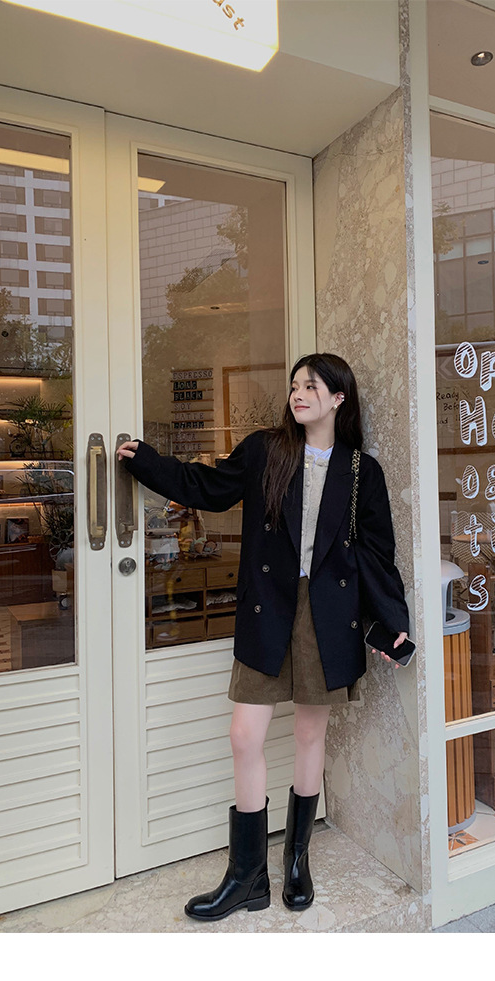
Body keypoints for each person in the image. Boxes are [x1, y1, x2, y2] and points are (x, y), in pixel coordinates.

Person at [117, 352, 409, 922]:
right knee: (244, 735)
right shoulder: (266, 451)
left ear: (339, 398)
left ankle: (296, 860)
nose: (299, 393)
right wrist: (147, 461)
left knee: (308, 734)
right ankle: (247, 875)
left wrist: (391, 623)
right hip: (268, 608)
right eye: (295, 385)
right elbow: (207, 487)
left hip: (329, 615)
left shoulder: (361, 472)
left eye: (312, 386)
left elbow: (378, 554)